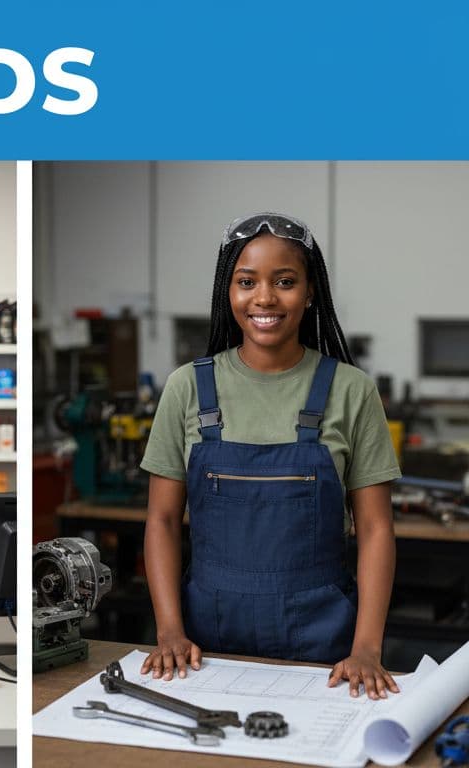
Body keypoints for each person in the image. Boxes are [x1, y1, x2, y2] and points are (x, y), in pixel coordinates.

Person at [139, 212, 401, 699]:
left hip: (325, 644)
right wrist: (169, 631)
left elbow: (375, 528)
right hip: (204, 644)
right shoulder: (186, 388)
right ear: (228, 291)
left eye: (284, 281)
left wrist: (367, 648)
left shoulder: (351, 390)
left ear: (310, 291)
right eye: (246, 281)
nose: (264, 298)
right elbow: (162, 521)